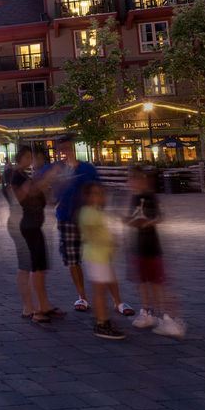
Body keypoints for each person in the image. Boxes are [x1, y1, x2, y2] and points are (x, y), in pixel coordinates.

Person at [48, 135, 133, 316]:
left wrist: (99, 212)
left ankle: (117, 301)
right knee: (73, 260)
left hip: (89, 221)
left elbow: (99, 191)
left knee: (103, 260)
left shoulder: (87, 168)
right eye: (62, 150)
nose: (65, 153)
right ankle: (82, 296)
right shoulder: (56, 170)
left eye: (68, 148)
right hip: (66, 219)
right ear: (58, 151)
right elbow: (50, 194)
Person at [124, 167, 184, 338]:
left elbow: (159, 217)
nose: (130, 183)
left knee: (157, 283)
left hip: (151, 246)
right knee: (142, 281)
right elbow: (131, 218)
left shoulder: (150, 197)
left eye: (133, 179)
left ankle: (168, 318)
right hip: (138, 246)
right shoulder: (135, 197)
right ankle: (146, 312)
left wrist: (147, 223)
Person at [9, 148, 59, 324]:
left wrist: (44, 182)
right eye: (28, 157)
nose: (30, 160)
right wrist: (40, 180)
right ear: (19, 159)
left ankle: (43, 305)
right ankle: (32, 309)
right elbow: (22, 196)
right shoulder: (16, 177)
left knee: (40, 266)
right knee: (32, 267)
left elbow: (39, 193)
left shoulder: (25, 176)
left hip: (34, 225)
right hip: (26, 226)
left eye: (32, 157)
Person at [80, 182, 126, 339]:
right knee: (99, 291)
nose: (101, 196)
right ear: (88, 197)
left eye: (101, 193)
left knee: (100, 290)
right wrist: (111, 241)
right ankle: (101, 323)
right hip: (96, 256)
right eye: (96, 193)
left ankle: (100, 317)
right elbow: (93, 234)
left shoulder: (94, 212)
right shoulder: (89, 213)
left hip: (100, 256)